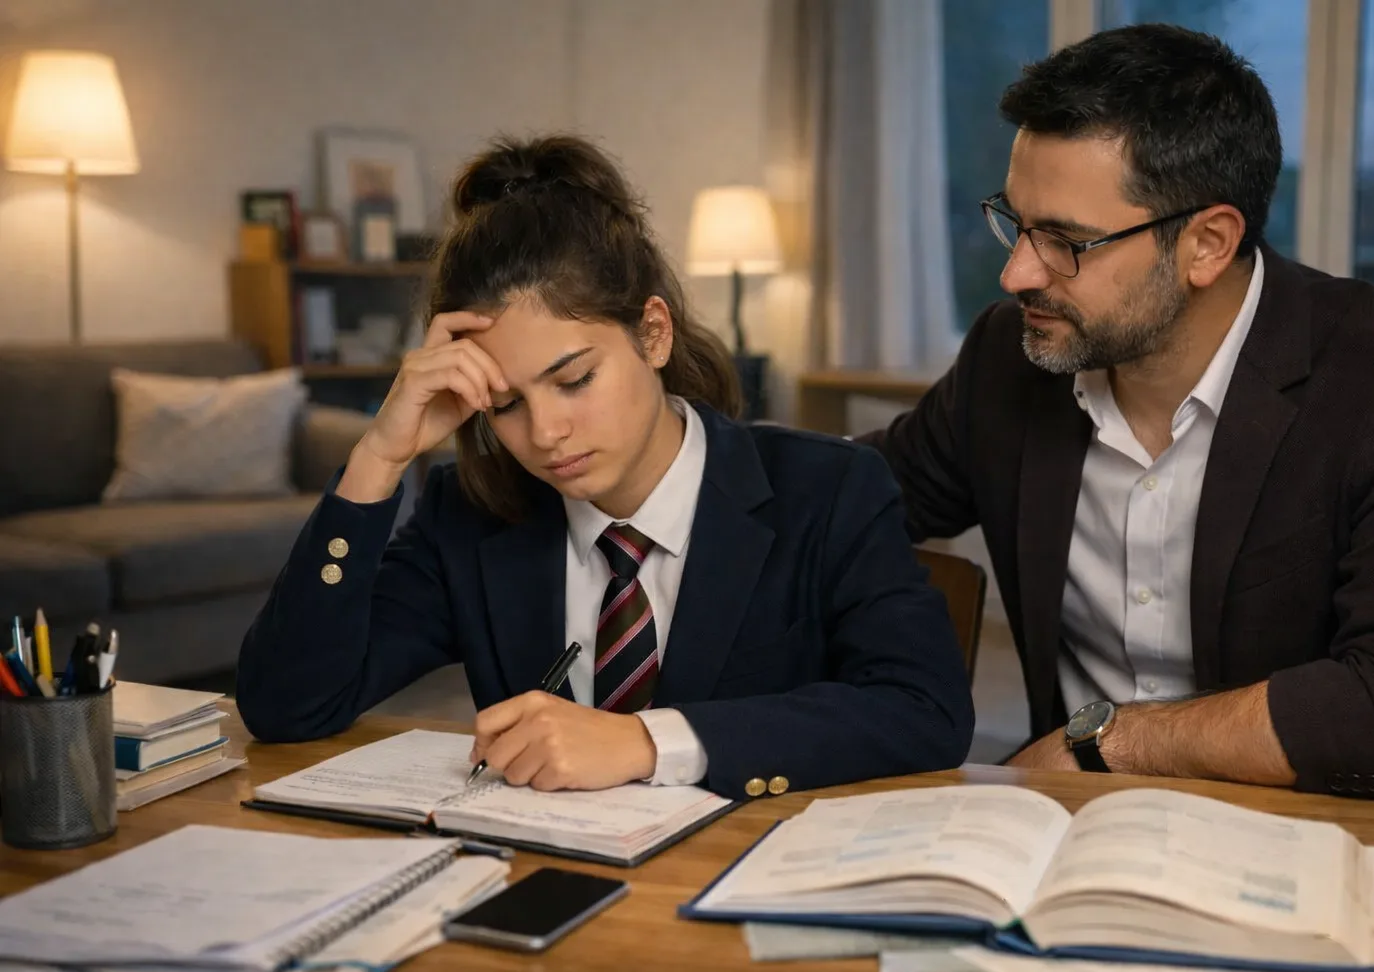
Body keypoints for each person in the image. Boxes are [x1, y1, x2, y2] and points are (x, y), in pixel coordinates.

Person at [865, 24, 1374, 801]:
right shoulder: (1009, 361)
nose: (1016, 273)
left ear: (1208, 243)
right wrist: (687, 436)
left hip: (1354, 830)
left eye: (1065, 242)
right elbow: (844, 500)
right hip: (1084, 835)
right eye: (1015, 223)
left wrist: (1105, 744)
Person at [237, 135, 973, 799]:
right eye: (505, 405)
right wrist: (380, 456)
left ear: (653, 334)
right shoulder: (471, 514)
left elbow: (924, 712)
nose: (547, 434)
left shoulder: (828, 490)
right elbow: (288, 706)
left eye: (574, 379)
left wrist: (647, 741)